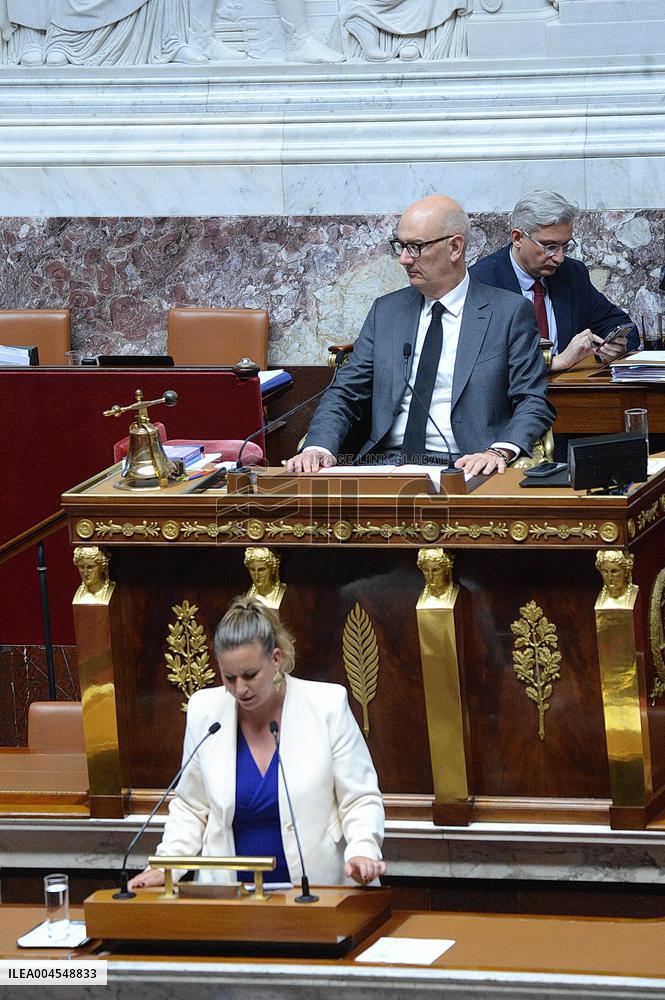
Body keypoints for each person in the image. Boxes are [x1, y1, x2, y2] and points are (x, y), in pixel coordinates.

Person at [286, 193, 555, 479]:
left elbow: (533, 400)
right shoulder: (386, 312)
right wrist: (318, 448)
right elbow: (345, 393)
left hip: (466, 466)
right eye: (400, 246)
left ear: (455, 247)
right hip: (384, 465)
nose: (403, 259)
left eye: (415, 247)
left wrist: (497, 452)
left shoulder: (508, 313)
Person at [127, 596, 385, 889]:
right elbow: (191, 807)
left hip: (320, 893)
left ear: (275, 659)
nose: (240, 689)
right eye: (229, 677)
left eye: (250, 675)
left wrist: (363, 849)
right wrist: (167, 866)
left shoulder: (326, 705)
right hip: (230, 900)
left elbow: (360, 799)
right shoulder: (205, 712)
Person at [470, 190, 639, 373]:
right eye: (550, 247)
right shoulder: (483, 280)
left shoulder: (572, 274)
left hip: (569, 392)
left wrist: (613, 347)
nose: (559, 258)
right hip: (508, 399)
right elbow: (481, 358)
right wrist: (555, 362)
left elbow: (620, 324)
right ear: (518, 238)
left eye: (565, 246)